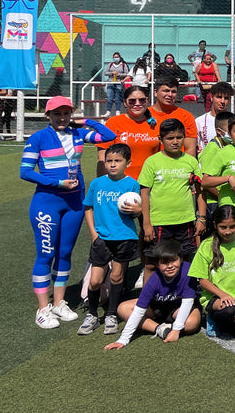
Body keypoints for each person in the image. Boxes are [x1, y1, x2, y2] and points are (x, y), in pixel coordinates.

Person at [21, 96, 114, 328]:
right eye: (57, 114)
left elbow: (109, 136)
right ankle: (43, 309)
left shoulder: (78, 134)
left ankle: (59, 303)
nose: (62, 118)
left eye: (66, 113)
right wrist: (57, 184)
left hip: (74, 202)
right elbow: (25, 171)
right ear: (48, 115)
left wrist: (87, 122)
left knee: (64, 253)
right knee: (46, 254)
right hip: (47, 202)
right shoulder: (38, 138)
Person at [79, 143, 140, 336]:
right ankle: (92, 314)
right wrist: (93, 234)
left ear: (128, 163)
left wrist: (137, 211)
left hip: (124, 237)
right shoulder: (98, 183)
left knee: (116, 277)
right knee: (95, 280)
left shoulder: (132, 184)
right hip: (102, 239)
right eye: (109, 161)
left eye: (117, 161)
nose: (112, 164)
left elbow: (138, 210)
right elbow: (88, 207)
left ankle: (111, 314)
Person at [138, 119, 205, 283]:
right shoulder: (152, 162)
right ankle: (149, 305)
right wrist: (146, 223)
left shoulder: (191, 161)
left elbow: (201, 191)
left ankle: (185, 299)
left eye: (179, 137)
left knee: (185, 263)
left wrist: (201, 218)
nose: (175, 142)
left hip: (185, 221)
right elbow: (144, 193)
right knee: (152, 264)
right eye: (170, 138)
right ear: (161, 139)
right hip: (159, 223)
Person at [104, 239, 201, 348]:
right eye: (164, 262)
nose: (170, 266)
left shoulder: (188, 271)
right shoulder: (154, 279)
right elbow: (139, 309)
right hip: (157, 308)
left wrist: (177, 330)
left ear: (181, 259)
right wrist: (123, 339)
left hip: (178, 308)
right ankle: (160, 328)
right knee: (122, 308)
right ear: (157, 264)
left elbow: (187, 303)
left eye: (173, 261)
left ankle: (169, 326)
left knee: (192, 323)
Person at [192, 205, 235, 339]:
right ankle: (212, 317)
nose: (228, 231)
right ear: (215, 225)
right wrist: (222, 294)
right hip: (215, 298)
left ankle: (232, 320)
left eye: (232, 227)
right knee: (228, 309)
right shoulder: (206, 245)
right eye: (223, 227)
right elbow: (202, 280)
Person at [97, 86, 160, 181]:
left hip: (151, 182)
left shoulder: (156, 123)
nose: (137, 104)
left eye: (142, 100)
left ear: (147, 101)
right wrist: (102, 184)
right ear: (125, 103)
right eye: (132, 101)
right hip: (120, 182)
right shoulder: (113, 123)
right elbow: (102, 158)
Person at [149, 73, 198, 157]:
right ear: (155, 92)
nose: (170, 95)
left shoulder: (186, 117)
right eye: (166, 91)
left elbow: (190, 150)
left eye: (173, 91)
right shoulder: (144, 116)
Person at [196, 81, 233, 151]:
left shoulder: (234, 120)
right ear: (211, 97)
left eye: (226, 98)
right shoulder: (199, 121)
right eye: (219, 97)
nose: (222, 101)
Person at [103, 51, 130, 117]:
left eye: (117, 57)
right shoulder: (110, 65)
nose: (116, 58)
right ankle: (108, 111)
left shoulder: (123, 65)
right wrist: (112, 73)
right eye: (114, 57)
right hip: (111, 82)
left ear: (119, 57)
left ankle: (117, 111)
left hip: (119, 82)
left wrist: (119, 74)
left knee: (117, 97)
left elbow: (127, 74)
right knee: (109, 98)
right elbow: (105, 73)